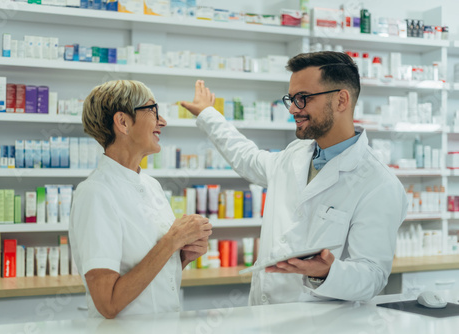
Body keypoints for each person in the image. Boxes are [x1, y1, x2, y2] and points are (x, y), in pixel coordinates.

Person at [180, 51, 407, 304]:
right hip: (264, 315)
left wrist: (326, 272)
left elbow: (372, 276)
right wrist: (208, 115)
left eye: (303, 98)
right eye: (291, 98)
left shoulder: (378, 184)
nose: (292, 109)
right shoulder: (295, 154)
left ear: (341, 100)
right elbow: (247, 157)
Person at [69, 80, 212, 319]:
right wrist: (172, 241)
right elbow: (108, 303)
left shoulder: (151, 186)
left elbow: (153, 277)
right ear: (123, 122)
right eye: (152, 111)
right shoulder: (95, 193)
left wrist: (182, 256)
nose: (162, 121)